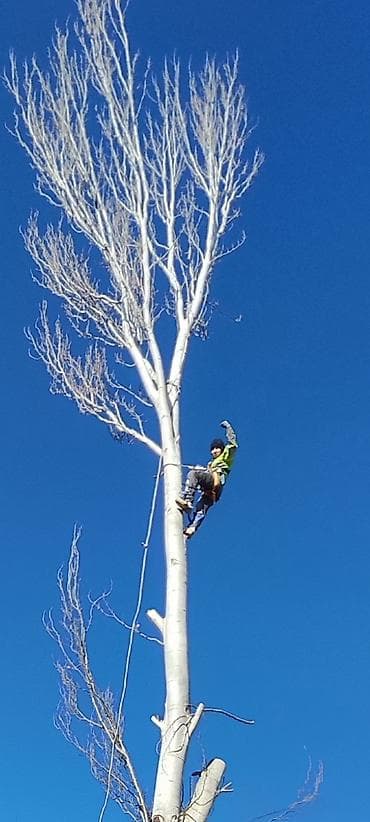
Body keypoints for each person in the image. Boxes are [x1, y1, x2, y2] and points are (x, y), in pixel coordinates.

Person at [176, 420, 238, 538]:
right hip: (212, 491)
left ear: (222, 449)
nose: (214, 451)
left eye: (217, 448)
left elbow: (233, 445)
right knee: (201, 508)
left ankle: (188, 499)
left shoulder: (225, 456)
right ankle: (192, 528)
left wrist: (228, 428)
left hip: (216, 482)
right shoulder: (211, 464)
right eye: (212, 449)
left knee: (193, 474)